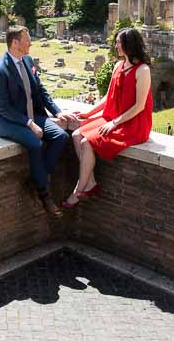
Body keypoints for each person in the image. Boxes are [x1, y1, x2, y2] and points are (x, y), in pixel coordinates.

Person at [0, 26, 78, 216]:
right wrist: (29, 124)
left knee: (61, 137)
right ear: (15, 43)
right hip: (6, 121)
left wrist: (58, 112)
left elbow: (40, 91)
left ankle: (38, 179)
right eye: (27, 39)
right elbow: (3, 108)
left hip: (31, 115)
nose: (31, 42)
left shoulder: (27, 60)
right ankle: (44, 194)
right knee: (36, 144)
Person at [61, 27, 152, 210]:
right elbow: (107, 97)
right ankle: (91, 183)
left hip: (133, 124)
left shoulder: (142, 70)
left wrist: (114, 123)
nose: (116, 45)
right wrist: (88, 114)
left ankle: (77, 192)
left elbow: (139, 106)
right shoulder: (118, 66)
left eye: (119, 42)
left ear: (129, 45)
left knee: (87, 142)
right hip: (114, 117)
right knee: (76, 134)